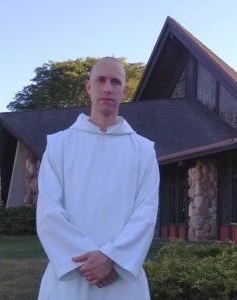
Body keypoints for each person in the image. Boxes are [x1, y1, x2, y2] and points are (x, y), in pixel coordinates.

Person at [36, 57, 159, 300]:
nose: (107, 88)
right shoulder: (59, 145)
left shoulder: (143, 151)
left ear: (124, 90)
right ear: (88, 86)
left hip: (123, 282)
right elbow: (48, 213)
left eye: (115, 82)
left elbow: (146, 214)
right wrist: (91, 261)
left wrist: (112, 258)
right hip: (70, 280)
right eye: (100, 80)